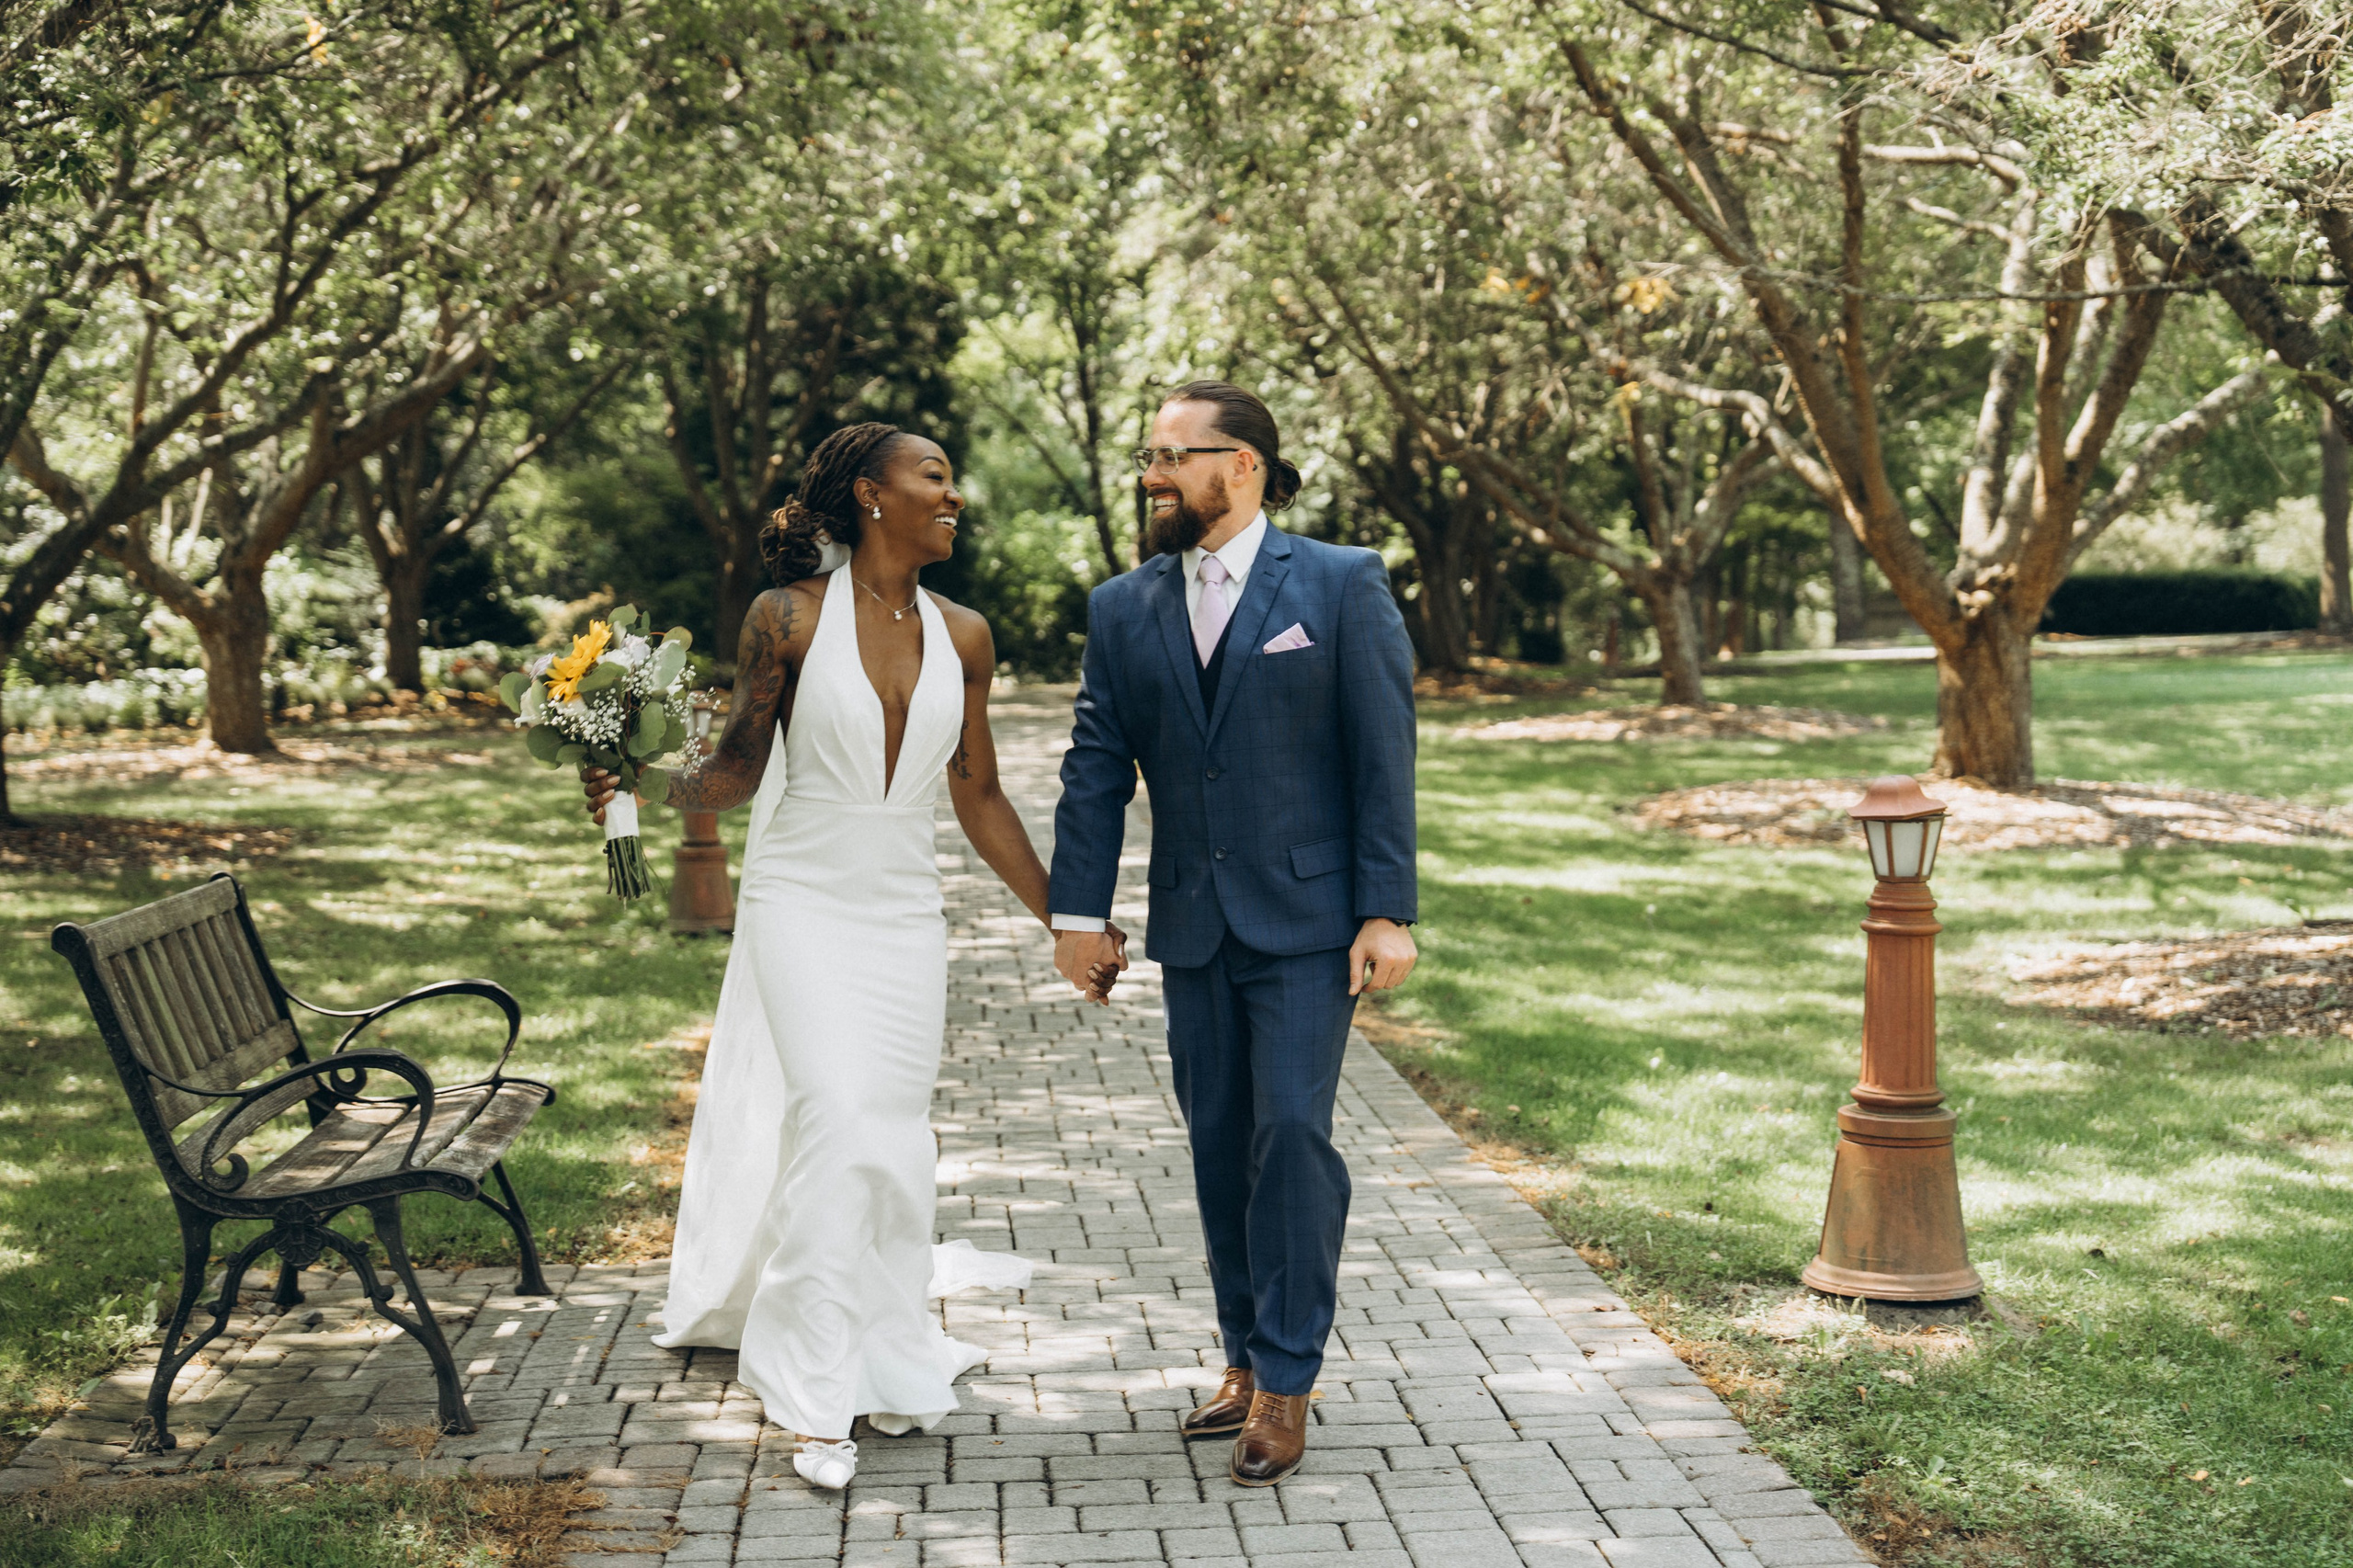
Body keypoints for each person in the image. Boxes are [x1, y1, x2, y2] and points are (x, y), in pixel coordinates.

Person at [579, 423, 1124, 1492]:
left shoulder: (965, 634)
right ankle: (813, 1387)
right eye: (935, 477)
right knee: (833, 1115)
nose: (953, 495)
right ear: (873, 495)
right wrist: (641, 781)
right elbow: (737, 768)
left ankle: (879, 1341)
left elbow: (977, 795)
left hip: (903, 916)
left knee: (888, 1138)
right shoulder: (784, 617)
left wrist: (1070, 918)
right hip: (800, 901)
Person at [1047, 381, 1419, 1487]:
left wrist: (1386, 906)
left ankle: (1290, 1378)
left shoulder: (1341, 583)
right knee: (1219, 1147)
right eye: (1150, 455)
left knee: (1291, 1139)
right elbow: (1095, 767)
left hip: (1309, 922)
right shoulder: (1124, 605)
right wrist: (1077, 912)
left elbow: (1380, 753)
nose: (1154, 473)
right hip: (1195, 927)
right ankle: (1245, 1356)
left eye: (1174, 454)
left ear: (1243, 463)